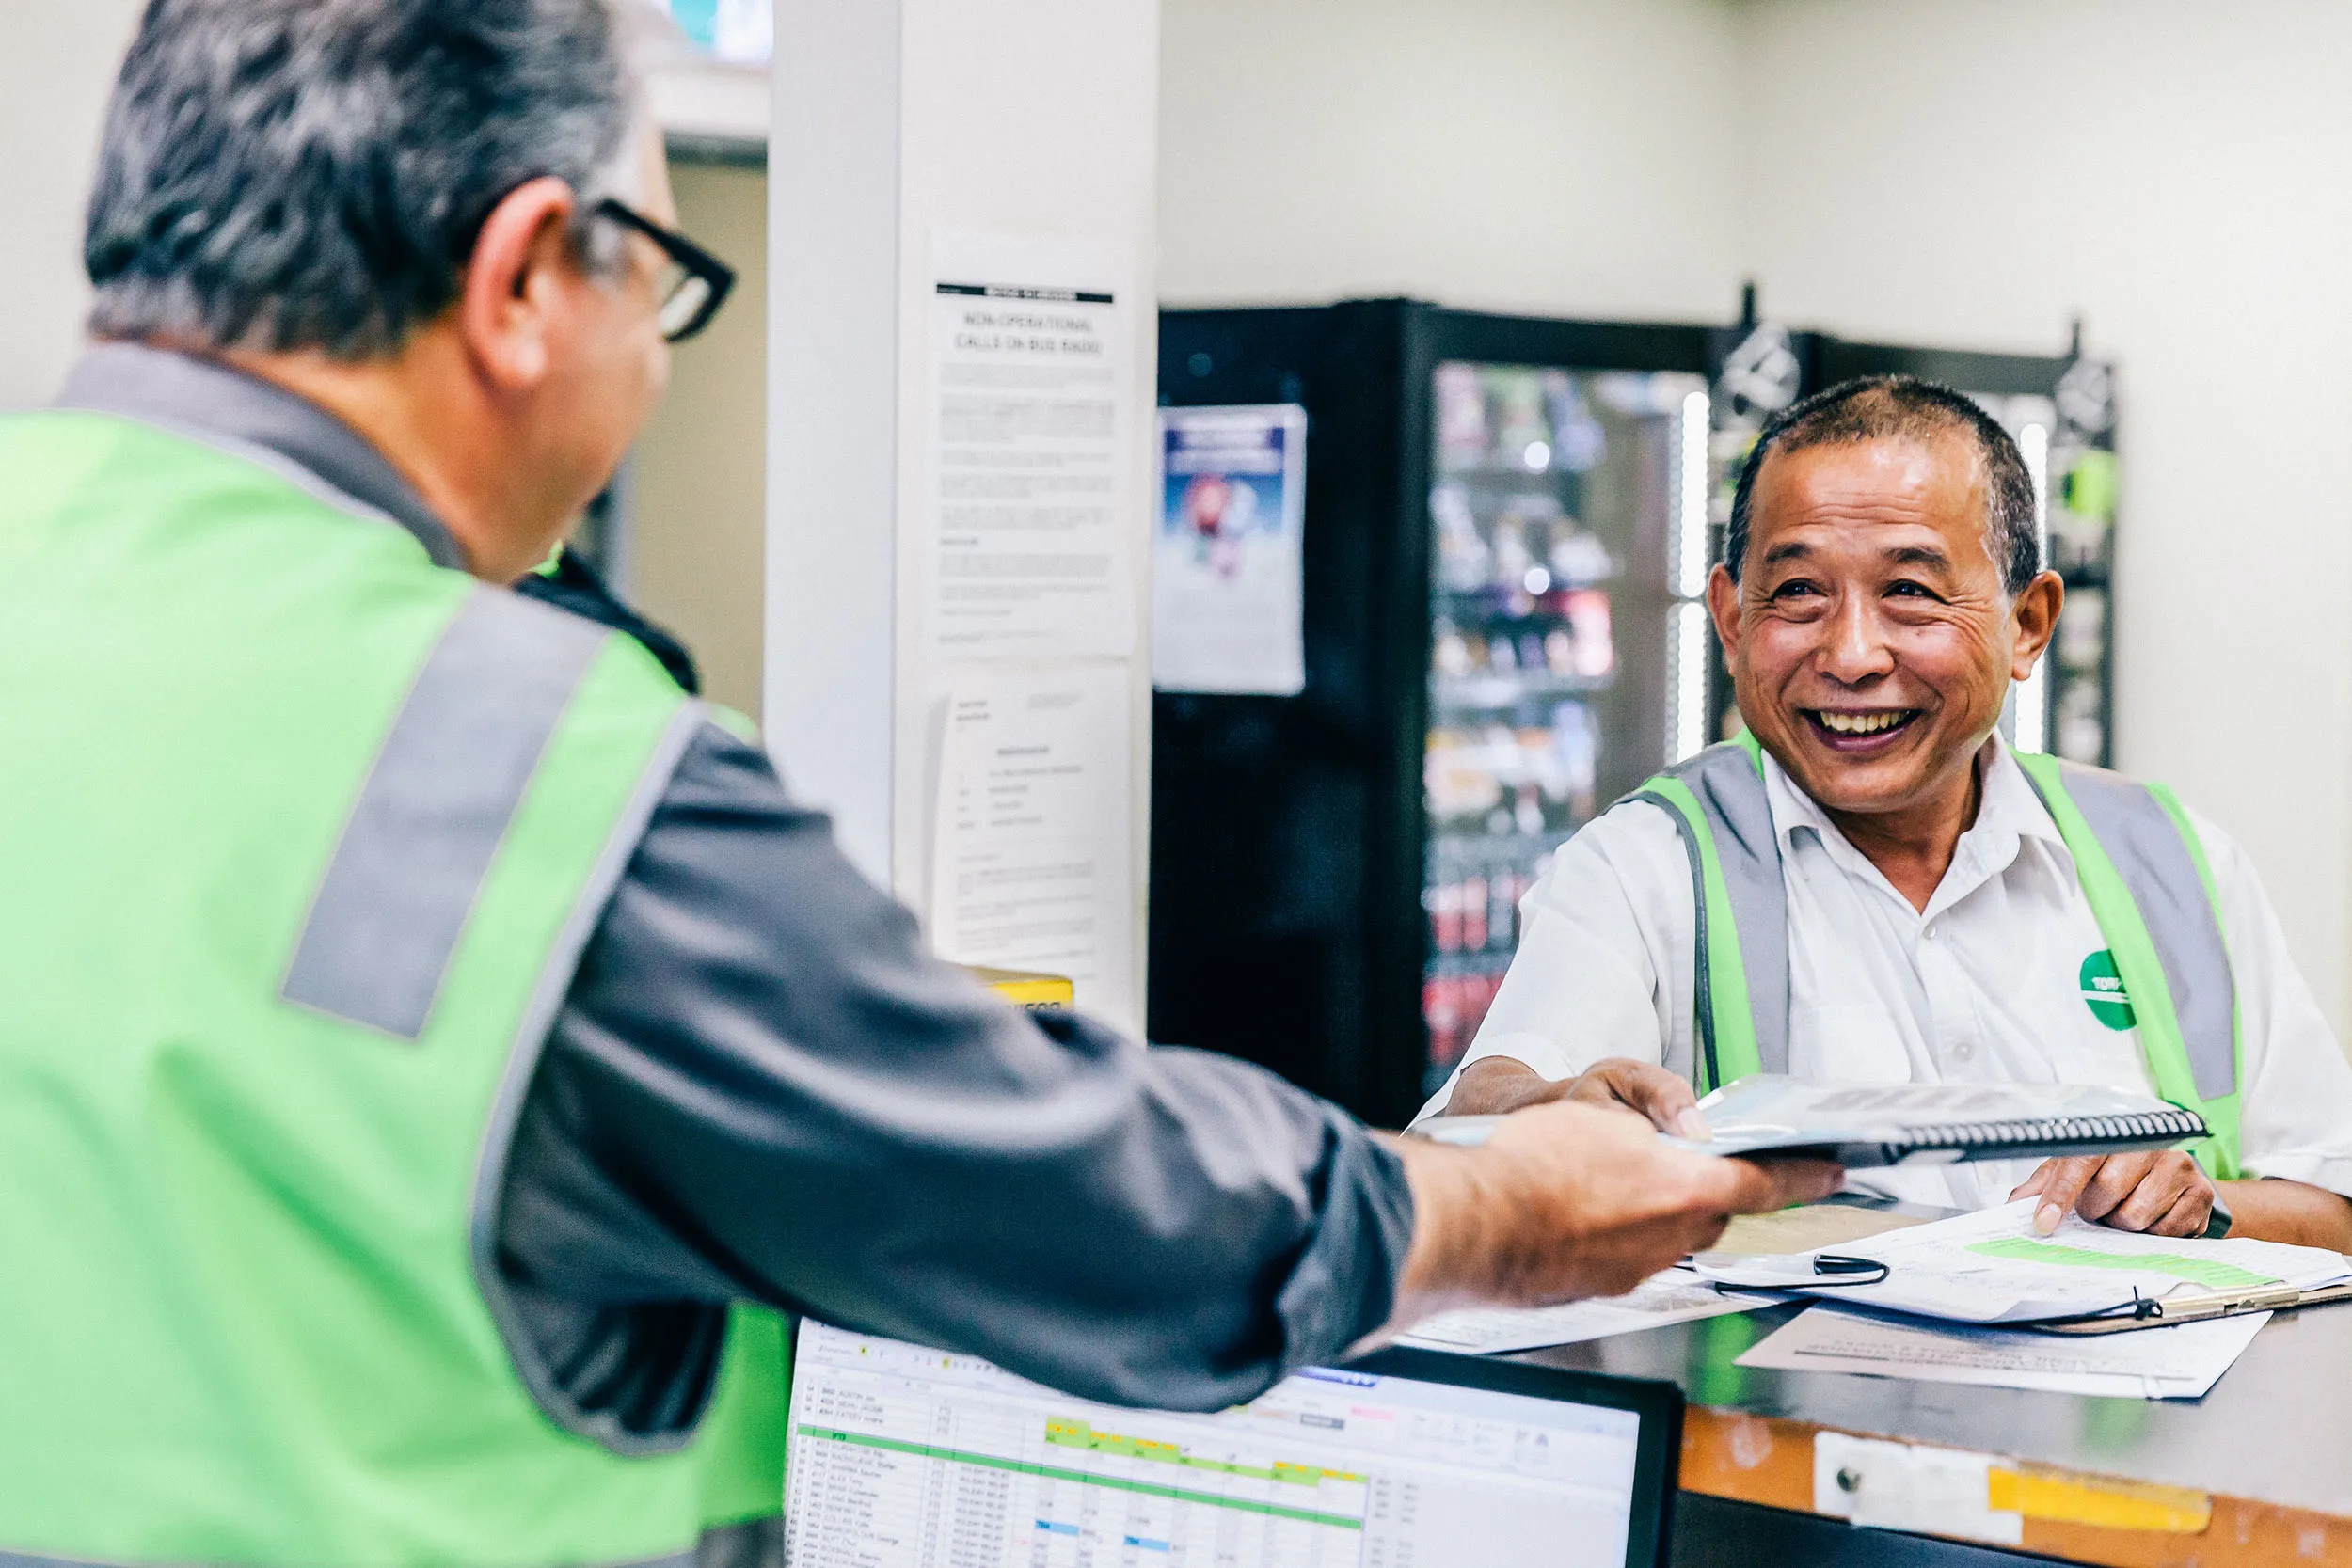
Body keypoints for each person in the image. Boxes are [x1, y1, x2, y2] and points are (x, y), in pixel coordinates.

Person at [0, 3, 1836, 1564]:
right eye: (661, 275)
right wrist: (1502, 1203)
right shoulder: (508, 760)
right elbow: (1103, 1214)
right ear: (521, 279)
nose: (655, 348)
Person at [1426, 374, 2352, 1254]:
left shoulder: (2172, 861)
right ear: (1730, 618)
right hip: (1778, 1424)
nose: (1852, 652)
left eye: (1908, 589)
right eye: (1797, 591)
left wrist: (2200, 1205)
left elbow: (2334, 1206)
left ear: (2026, 623)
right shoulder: (1647, 863)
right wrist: (1543, 1110)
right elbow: (1485, 1102)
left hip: (2146, 1421)